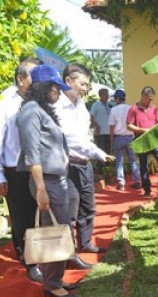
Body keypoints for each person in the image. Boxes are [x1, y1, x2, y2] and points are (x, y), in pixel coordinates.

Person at [15, 65, 80, 297]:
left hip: (56, 179)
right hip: (47, 182)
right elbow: (32, 154)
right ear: (43, 87)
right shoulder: (31, 112)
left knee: (61, 228)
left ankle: (56, 278)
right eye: (55, 88)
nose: (58, 92)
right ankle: (52, 284)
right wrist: (41, 188)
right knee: (56, 230)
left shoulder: (41, 110)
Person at [0, 56, 44, 283]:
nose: (39, 80)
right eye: (34, 75)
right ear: (21, 79)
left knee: (41, 214)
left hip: (39, 167)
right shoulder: (2, 106)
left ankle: (41, 253)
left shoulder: (39, 102)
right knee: (23, 218)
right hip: (16, 171)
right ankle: (30, 262)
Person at [55, 63, 115, 256]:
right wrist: (97, 152)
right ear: (68, 81)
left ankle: (86, 242)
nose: (85, 88)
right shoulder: (57, 106)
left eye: (87, 85)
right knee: (70, 210)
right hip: (68, 164)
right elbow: (70, 138)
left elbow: (85, 134)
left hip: (85, 163)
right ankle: (68, 252)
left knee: (88, 207)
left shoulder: (81, 105)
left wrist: (93, 153)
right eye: (82, 83)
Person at [127, 86, 158, 197]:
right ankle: (147, 189)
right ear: (143, 96)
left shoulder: (154, 108)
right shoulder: (133, 109)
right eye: (149, 98)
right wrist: (142, 130)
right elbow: (129, 125)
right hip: (141, 140)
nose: (150, 101)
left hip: (154, 140)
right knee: (143, 166)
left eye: (152, 99)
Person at [108, 89, 141, 190]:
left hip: (118, 137)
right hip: (130, 137)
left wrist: (111, 138)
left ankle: (121, 182)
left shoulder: (113, 110)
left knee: (119, 160)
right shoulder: (131, 108)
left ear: (117, 99)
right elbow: (135, 123)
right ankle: (137, 180)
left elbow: (112, 125)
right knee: (133, 160)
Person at [90, 87, 112, 152]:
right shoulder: (96, 105)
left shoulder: (110, 105)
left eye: (107, 94)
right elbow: (91, 116)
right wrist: (96, 126)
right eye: (105, 94)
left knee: (108, 151)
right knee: (101, 151)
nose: (107, 96)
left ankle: (107, 163)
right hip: (100, 133)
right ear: (100, 95)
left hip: (108, 132)